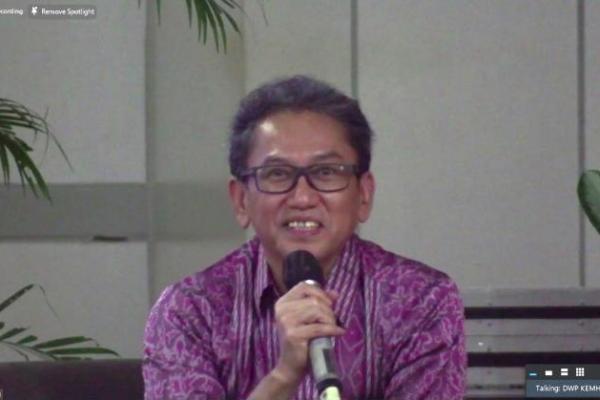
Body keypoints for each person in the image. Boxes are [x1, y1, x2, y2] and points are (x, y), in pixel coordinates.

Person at [143, 75, 466, 399]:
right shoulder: (191, 311)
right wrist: (283, 376)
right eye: (277, 174)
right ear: (241, 201)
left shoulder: (421, 301)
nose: (302, 198)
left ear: (364, 195)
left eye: (326, 172)